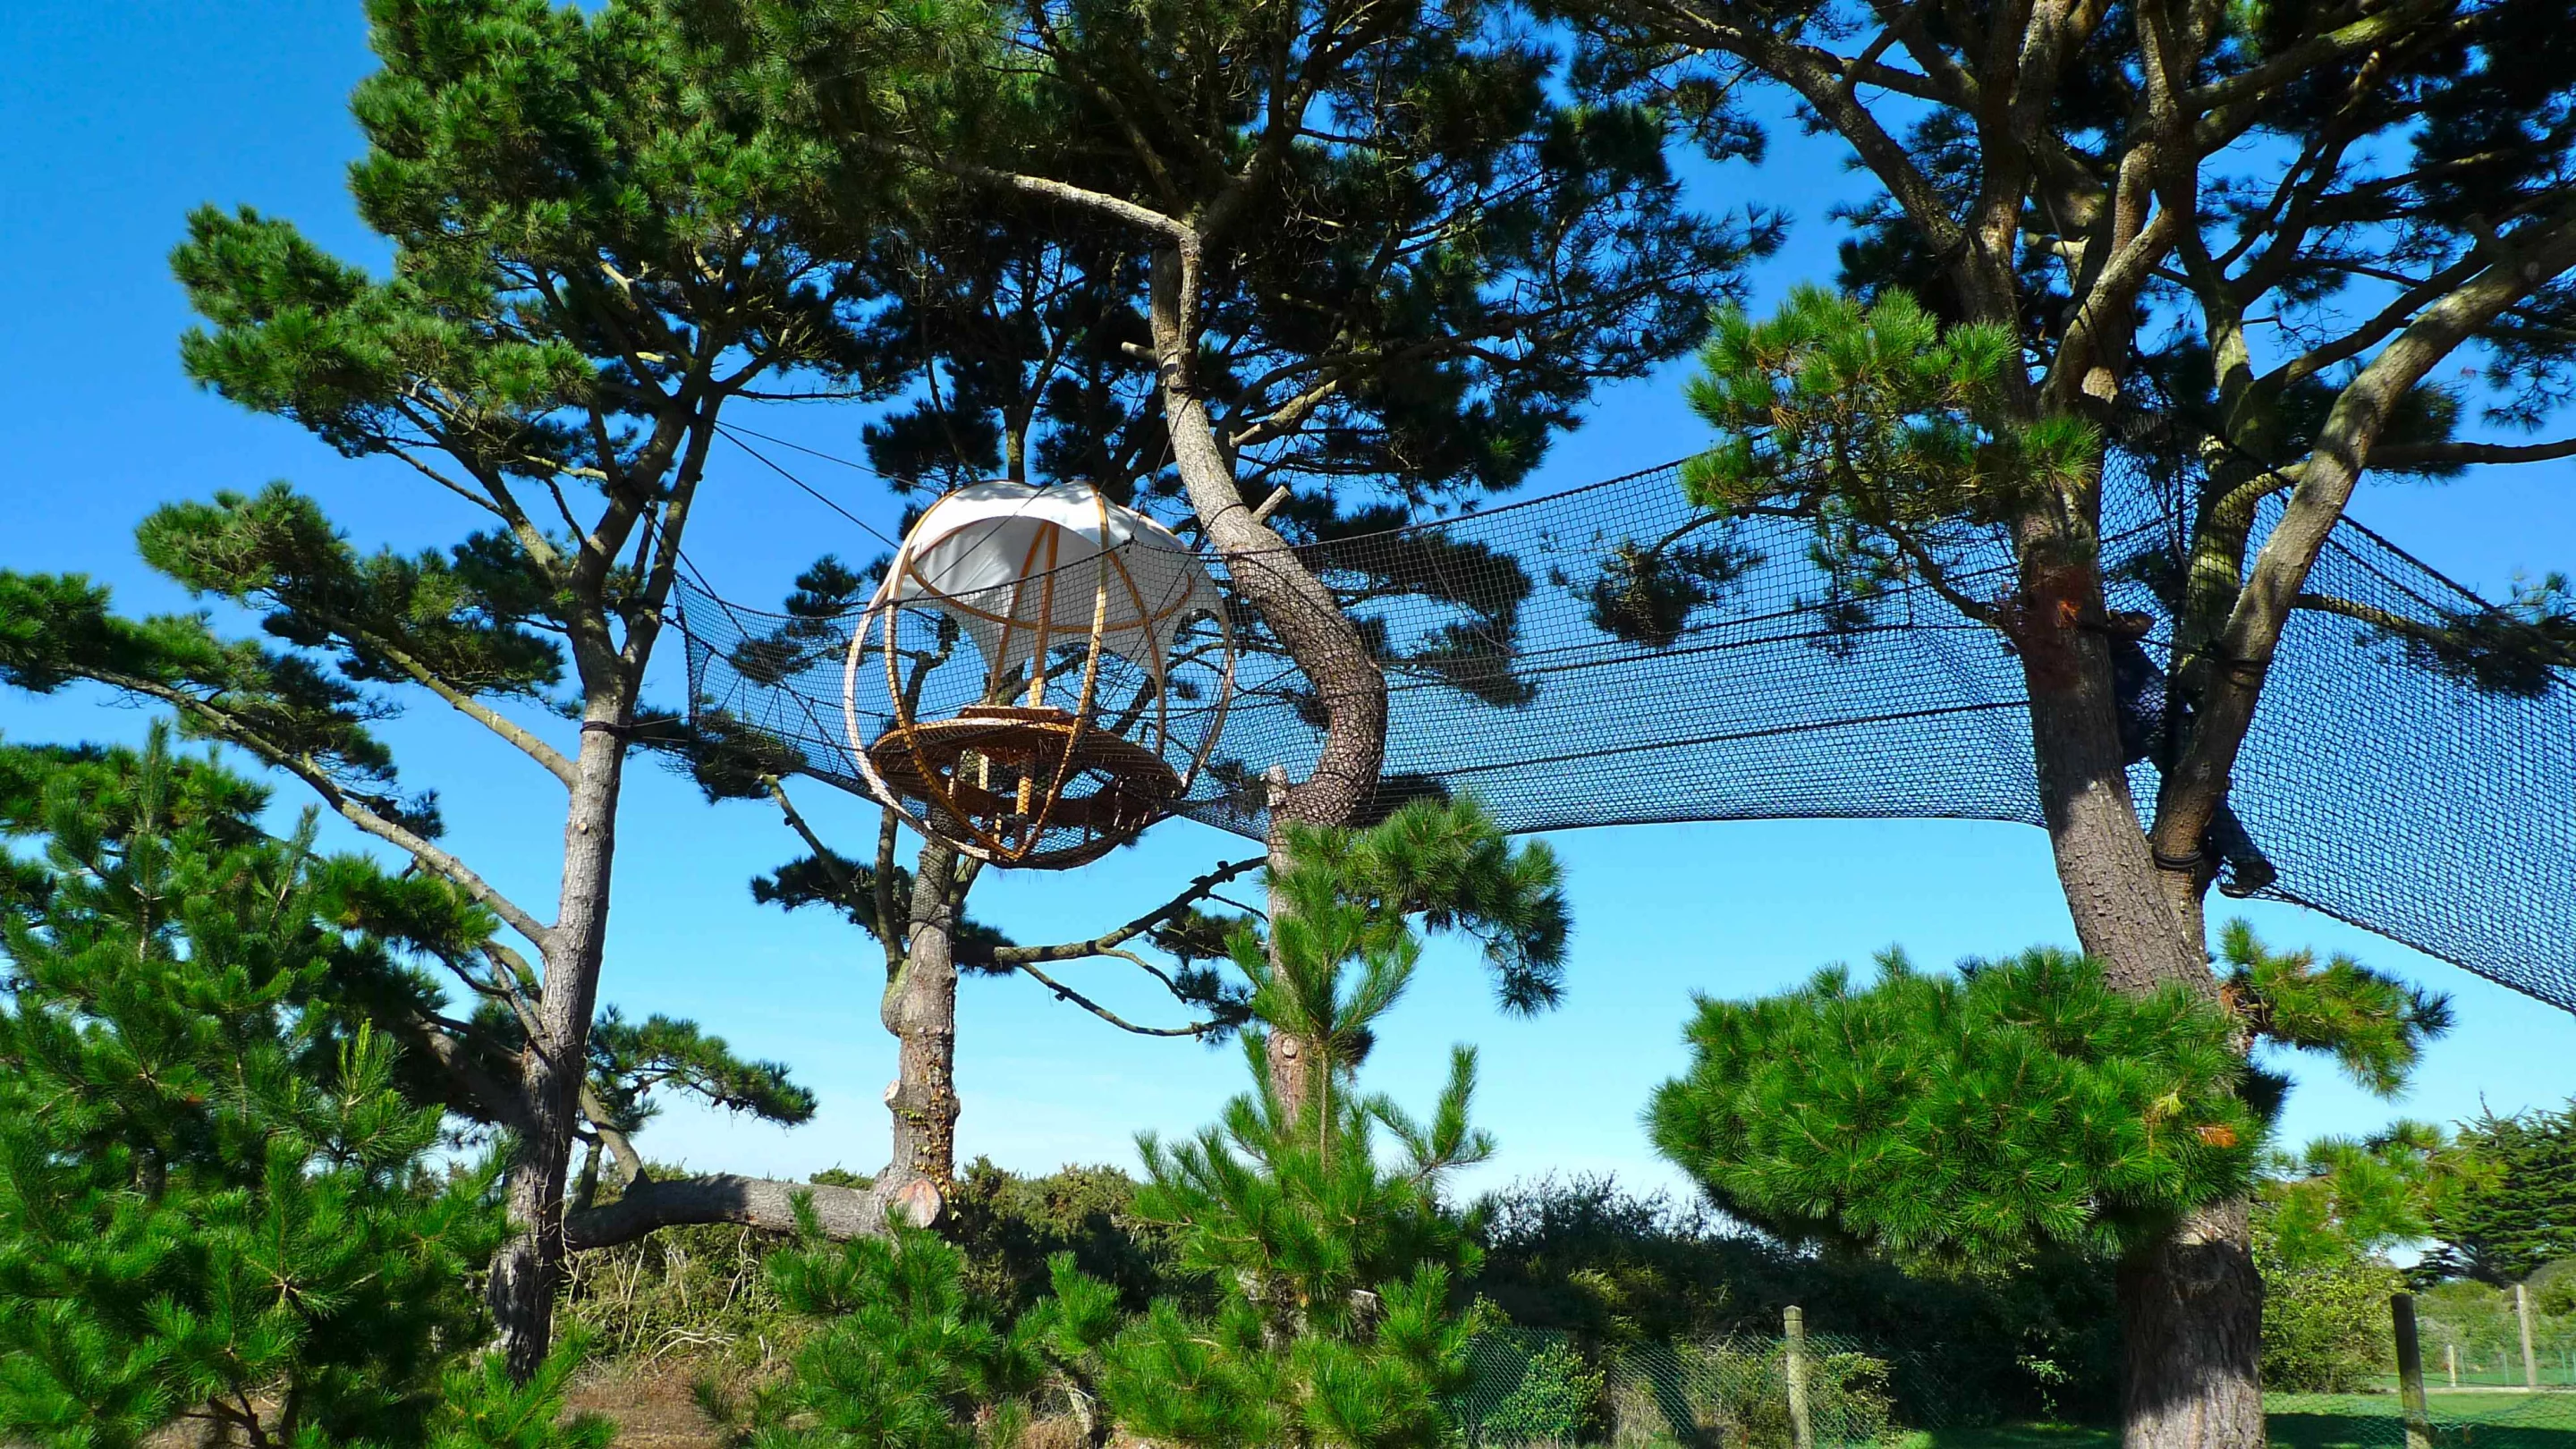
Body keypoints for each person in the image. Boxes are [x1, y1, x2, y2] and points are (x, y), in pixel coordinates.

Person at [2106, 610, 2278, 900]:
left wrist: (2114, 627)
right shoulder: (2084, 665)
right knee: (2186, 792)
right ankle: (2228, 851)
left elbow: (2143, 621)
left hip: (2165, 720)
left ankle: (2250, 862)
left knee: (2194, 793)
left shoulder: (2107, 640)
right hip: (2146, 730)